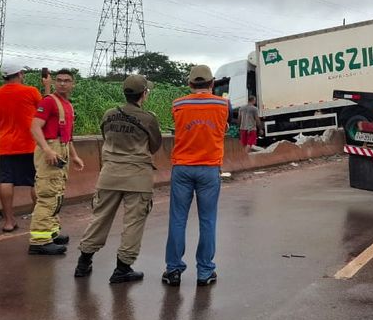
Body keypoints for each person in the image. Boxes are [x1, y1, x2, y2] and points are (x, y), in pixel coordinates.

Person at [75, 74, 162, 283]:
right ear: (144, 94)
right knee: (133, 223)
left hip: (109, 175)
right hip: (137, 177)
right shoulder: (148, 118)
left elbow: (106, 137)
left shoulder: (109, 114)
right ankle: (122, 268)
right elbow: (155, 145)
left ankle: (83, 262)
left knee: (100, 218)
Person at [163, 65, 229, 287]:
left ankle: (173, 270)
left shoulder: (178, 104)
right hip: (209, 169)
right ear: (212, 83)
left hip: (182, 167)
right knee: (207, 221)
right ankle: (205, 271)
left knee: (178, 219)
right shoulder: (222, 104)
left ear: (190, 84)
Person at [27, 68, 84, 255]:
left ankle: (51, 231)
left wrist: (74, 156)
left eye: (66, 80)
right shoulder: (49, 102)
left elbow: (68, 136)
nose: (62, 83)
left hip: (62, 148)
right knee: (48, 194)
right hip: (51, 148)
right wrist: (47, 149)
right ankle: (39, 240)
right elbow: (35, 127)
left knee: (57, 192)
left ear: (72, 84)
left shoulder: (67, 105)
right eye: (59, 80)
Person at [0, 62, 49, 232]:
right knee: (36, 182)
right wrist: (46, 88)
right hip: (30, 143)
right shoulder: (30, 91)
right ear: (19, 74)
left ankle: (9, 221)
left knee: (6, 181)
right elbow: (45, 110)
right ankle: (39, 219)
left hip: (6, 144)